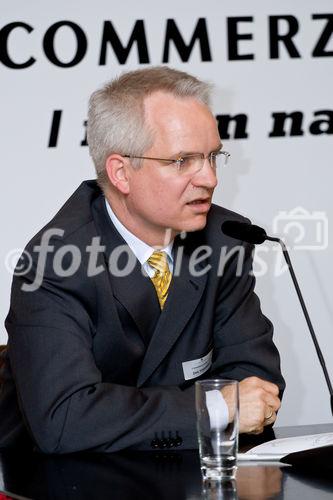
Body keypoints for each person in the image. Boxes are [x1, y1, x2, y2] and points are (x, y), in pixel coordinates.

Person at [0, 66, 284, 454]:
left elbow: (257, 387)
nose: (210, 178)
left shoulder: (225, 240)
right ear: (121, 173)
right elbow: (66, 419)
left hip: (189, 475)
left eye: (213, 156)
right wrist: (213, 406)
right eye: (183, 161)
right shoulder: (54, 262)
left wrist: (216, 408)